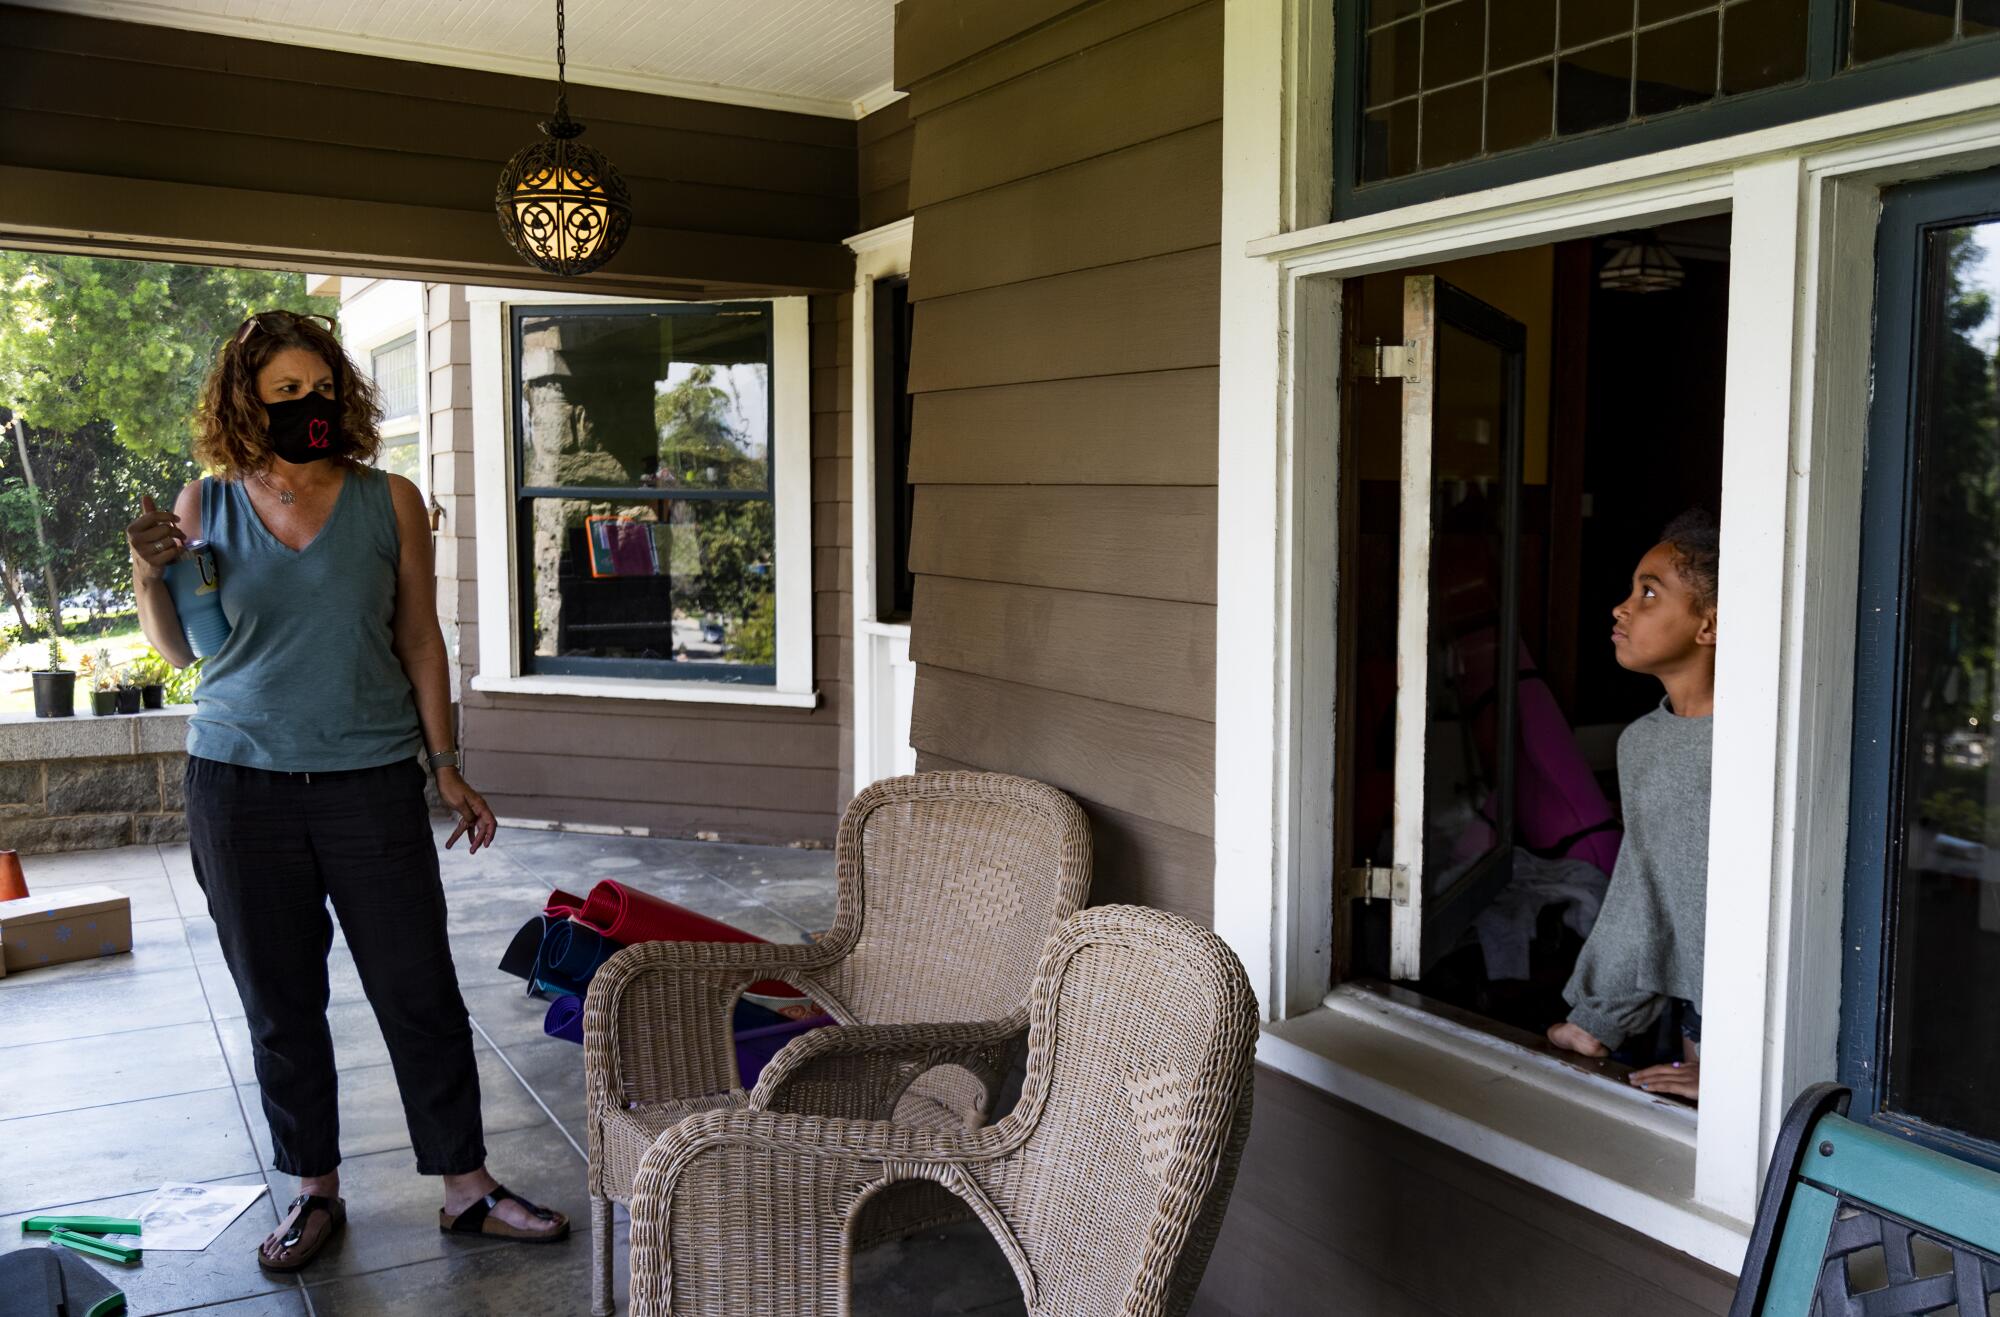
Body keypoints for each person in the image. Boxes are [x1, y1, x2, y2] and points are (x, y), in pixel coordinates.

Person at [124, 309, 569, 1271]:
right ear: (248, 402)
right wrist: (148, 574)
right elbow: (185, 650)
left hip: (368, 780)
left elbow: (418, 638)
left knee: (418, 988)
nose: (307, 405)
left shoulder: (389, 499)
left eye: (320, 387)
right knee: (279, 999)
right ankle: (313, 1189)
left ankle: (464, 1186)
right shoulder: (206, 502)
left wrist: (445, 763)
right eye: (284, 392)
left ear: (344, 392)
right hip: (239, 781)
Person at [1545, 510, 1719, 1103]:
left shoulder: (1756, 745)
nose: (1621, 608)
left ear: (1709, 625)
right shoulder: (1643, 741)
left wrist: (1742, 1067)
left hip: (1773, 1029)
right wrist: (1600, 1018)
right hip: (1700, 1016)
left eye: (1649, 593)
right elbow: (1644, 891)